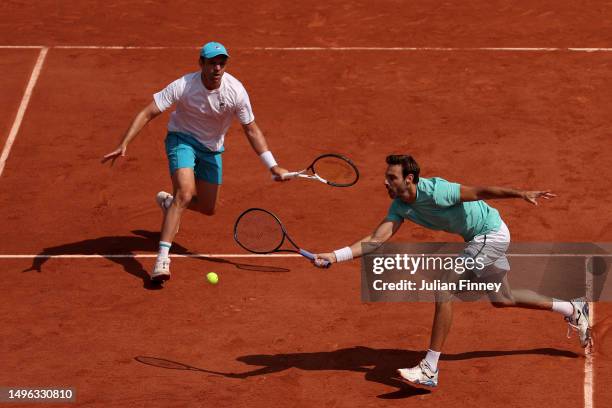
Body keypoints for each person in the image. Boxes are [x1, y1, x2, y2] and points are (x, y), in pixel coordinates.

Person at [313, 154, 592, 387]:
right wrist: (335, 256)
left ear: (409, 179)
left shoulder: (438, 191)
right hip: (480, 237)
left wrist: (520, 193)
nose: (386, 181)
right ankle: (572, 308)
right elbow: (375, 240)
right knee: (502, 299)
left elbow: (480, 191)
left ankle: (430, 367)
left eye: (392, 177)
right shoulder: (399, 206)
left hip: (489, 234)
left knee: (444, 287)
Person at [103, 41, 287, 282]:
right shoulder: (184, 86)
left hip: (212, 149)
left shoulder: (236, 91)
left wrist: (272, 165)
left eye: (222, 63)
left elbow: (251, 129)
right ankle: (162, 259)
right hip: (182, 140)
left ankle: (170, 205)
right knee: (186, 193)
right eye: (212, 63)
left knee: (208, 208)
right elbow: (148, 112)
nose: (218, 68)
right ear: (201, 63)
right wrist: (124, 142)